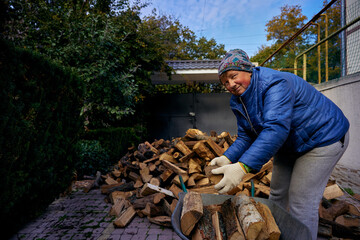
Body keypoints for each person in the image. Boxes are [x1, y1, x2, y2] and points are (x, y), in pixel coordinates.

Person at [210, 49, 349, 240]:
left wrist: (242, 167)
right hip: (289, 142)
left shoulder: (275, 84)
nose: (231, 84)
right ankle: (276, 235)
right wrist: (228, 157)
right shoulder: (238, 101)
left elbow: (276, 128)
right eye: (225, 82)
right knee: (277, 194)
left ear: (248, 70)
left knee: (302, 201)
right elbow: (246, 136)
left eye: (234, 76)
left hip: (323, 138)